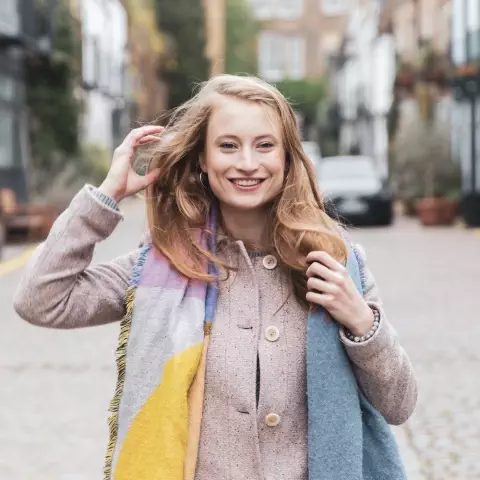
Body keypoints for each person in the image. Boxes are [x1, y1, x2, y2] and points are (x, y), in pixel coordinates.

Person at [14, 75, 417, 480]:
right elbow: (41, 298)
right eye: (228, 145)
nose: (246, 163)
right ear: (203, 159)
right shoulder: (164, 266)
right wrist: (106, 196)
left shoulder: (336, 264)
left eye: (264, 145)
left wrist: (362, 323)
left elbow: (399, 404)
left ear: (287, 158)